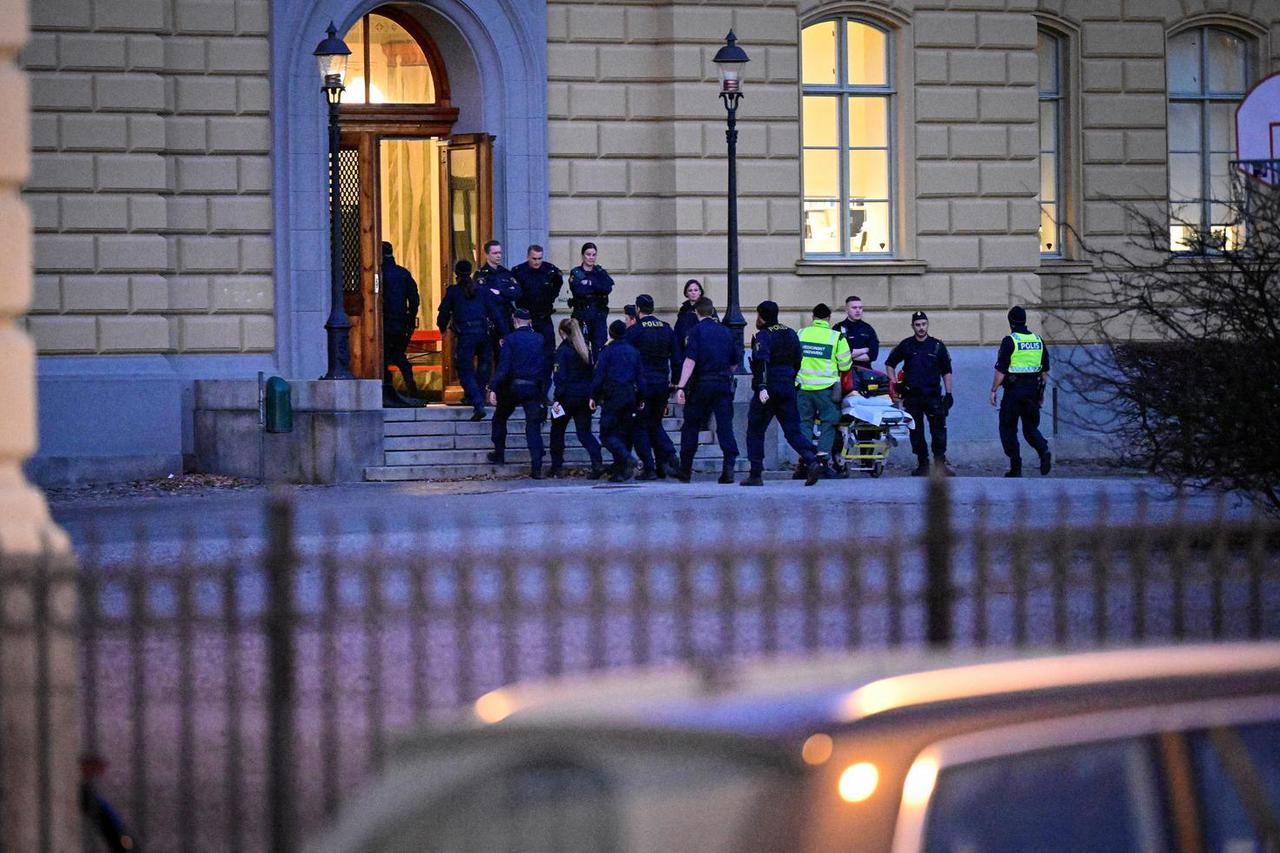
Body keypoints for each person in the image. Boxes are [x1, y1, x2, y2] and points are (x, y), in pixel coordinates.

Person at [742, 301, 821, 487]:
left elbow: (761, 362)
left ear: (761, 316)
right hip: (787, 386)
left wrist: (761, 387)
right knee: (793, 430)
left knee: (755, 429)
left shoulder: (764, 335)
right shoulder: (791, 333)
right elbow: (798, 360)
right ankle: (811, 460)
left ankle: (755, 473)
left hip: (768, 388)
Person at [673, 297, 738, 483]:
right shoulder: (726, 332)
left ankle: (685, 470)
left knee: (691, 426)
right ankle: (729, 468)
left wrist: (681, 386)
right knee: (725, 426)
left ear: (697, 312)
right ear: (711, 311)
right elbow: (734, 364)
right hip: (723, 383)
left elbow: (690, 361)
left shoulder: (696, 331)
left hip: (701, 384)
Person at [436, 259, 508, 420]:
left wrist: (441, 327)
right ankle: (478, 397)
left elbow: (444, 312)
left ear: (456, 273)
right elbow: (496, 314)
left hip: (466, 335)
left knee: (464, 369)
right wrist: (504, 335)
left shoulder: (453, 291)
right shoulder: (482, 291)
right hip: (484, 334)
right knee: (484, 367)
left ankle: (477, 402)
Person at [885, 311, 955, 477]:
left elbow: (947, 371)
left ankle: (940, 465)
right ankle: (922, 464)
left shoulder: (937, 346)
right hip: (912, 396)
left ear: (927, 325)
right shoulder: (907, 345)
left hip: (933, 395)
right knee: (916, 431)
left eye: (924, 324)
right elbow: (890, 364)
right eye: (918, 325)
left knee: (938, 430)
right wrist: (895, 385)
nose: (921, 328)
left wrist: (949, 393)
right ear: (912, 326)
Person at [990, 305, 1052, 478]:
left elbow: (1001, 370)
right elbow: (1045, 371)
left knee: (1008, 428)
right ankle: (1043, 450)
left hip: (1014, 392)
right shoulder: (1038, 340)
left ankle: (1016, 467)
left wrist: (993, 389)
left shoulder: (1010, 341)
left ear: (1010, 322)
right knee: (1030, 428)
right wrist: (1041, 393)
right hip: (1033, 391)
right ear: (1025, 321)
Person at [486, 308, 547, 478]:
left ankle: (499, 454)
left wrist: (493, 387)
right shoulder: (539, 339)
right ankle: (537, 466)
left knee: (499, 418)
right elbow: (544, 366)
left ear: (515, 322)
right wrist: (543, 392)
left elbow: (504, 367)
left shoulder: (510, 340)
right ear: (530, 322)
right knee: (533, 427)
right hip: (533, 388)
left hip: (513, 388)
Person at [625, 293, 678, 479]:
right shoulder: (666, 329)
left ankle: (649, 467)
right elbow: (677, 357)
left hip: (643, 385)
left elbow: (626, 357)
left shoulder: (635, 331)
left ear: (638, 309)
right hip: (662, 383)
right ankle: (667, 459)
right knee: (655, 424)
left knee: (639, 426)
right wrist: (676, 382)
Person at [797, 304, 853, 478]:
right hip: (827, 390)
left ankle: (805, 459)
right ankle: (822, 460)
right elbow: (846, 365)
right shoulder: (836, 337)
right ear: (829, 318)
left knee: (805, 423)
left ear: (813, 317)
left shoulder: (801, 334)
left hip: (803, 387)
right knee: (829, 422)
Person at [549, 318, 604, 479]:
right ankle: (597, 462)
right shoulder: (585, 350)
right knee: (585, 433)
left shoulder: (562, 351)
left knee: (557, 432)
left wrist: (557, 399)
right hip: (584, 397)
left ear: (561, 332)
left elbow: (560, 377)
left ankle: (556, 466)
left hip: (567, 398)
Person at [591, 319, 643, 483]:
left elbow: (599, 376)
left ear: (611, 334)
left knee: (606, 434)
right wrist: (641, 397)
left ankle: (627, 460)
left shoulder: (607, 352)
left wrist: (593, 396)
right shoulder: (634, 351)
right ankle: (622, 470)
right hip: (629, 394)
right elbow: (641, 377)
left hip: (613, 395)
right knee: (624, 433)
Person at [831, 295, 879, 469]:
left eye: (860, 307)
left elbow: (872, 354)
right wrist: (861, 350)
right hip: (844, 377)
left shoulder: (868, 329)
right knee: (842, 416)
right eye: (854, 307)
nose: (858, 310)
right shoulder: (838, 329)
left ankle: (867, 456)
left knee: (866, 417)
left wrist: (853, 353)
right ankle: (838, 456)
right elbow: (839, 355)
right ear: (846, 309)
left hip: (865, 378)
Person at [512, 244, 564, 390]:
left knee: (548, 355)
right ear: (528, 257)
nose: (536, 262)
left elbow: (557, 286)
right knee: (524, 354)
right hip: (526, 320)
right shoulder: (519, 271)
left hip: (543, 318)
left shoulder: (550, 271)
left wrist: (550, 299)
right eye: (534, 258)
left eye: (539, 258)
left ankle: (543, 390)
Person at [380, 241, 423, 408]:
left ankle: (387, 389)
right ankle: (412, 390)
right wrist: (410, 318)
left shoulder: (378, 273)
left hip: (383, 323)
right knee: (399, 356)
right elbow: (414, 299)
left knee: (383, 358)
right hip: (399, 323)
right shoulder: (402, 273)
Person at [476, 240, 520, 364]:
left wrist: (500, 293)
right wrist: (505, 293)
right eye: (495, 253)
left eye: (500, 253)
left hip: (506, 319)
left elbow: (517, 292)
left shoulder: (505, 273)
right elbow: (486, 297)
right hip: (491, 322)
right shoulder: (482, 276)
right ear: (487, 254)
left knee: (506, 356)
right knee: (488, 359)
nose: (499, 256)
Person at [568, 242, 614, 353]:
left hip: (599, 315)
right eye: (588, 254)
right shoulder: (576, 272)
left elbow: (608, 287)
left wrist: (590, 283)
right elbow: (579, 290)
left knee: (599, 348)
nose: (591, 257)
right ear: (583, 255)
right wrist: (597, 287)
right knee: (582, 349)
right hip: (582, 315)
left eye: (594, 255)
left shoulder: (600, 272)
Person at [673, 278, 716, 369]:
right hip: (684, 350)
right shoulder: (683, 310)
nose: (693, 293)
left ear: (700, 292)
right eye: (690, 290)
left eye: (696, 290)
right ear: (686, 293)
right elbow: (678, 330)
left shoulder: (707, 307)